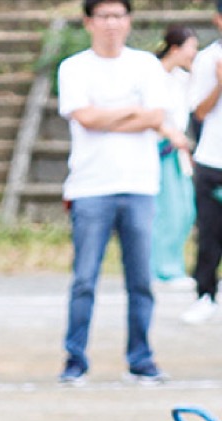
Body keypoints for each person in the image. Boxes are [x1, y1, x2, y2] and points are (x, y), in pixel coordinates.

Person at [57, 0, 175, 384]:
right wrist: (131, 112)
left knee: (140, 280)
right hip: (91, 187)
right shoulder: (74, 68)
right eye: (104, 16)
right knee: (85, 280)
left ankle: (141, 358)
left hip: (139, 185)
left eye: (118, 16)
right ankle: (75, 359)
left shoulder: (146, 65)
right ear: (89, 22)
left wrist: (106, 116)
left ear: (129, 22)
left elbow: (156, 117)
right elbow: (85, 118)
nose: (111, 23)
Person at [183, 3, 222, 325]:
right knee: (210, 232)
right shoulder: (208, 59)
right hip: (213, 159)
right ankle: (205, 294)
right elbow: (197, 112)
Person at [151, 25, 198, 287]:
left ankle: (172, 266)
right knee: (165, 211)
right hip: (158, 148)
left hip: (177, 150)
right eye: (192, 47)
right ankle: (161, 270)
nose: (195, 53)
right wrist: (169, 134)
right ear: (176, 48)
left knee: (184, 210)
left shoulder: (182, 78)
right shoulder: (152, 74)